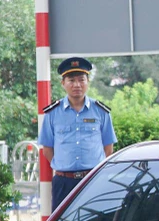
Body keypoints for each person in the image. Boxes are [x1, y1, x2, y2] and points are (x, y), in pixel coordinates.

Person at [39, 57, 117, 210]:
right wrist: (64, 166)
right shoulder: (52, 113)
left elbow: (108, 149)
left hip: (93, 179)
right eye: (71, 80)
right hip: (64, 182)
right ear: (63, 83)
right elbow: (47, 150)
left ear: (87, 82)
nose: (77, 85)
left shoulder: (101, 111)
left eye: (81, 80)